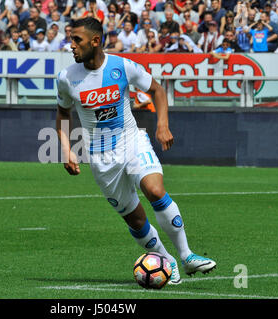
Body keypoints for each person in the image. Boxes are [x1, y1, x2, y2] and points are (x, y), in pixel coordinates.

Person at [56, 17, 217, 285]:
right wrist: (66, 150)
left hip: (131, 141)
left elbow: (157, 90)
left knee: (155, 190)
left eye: (76, 40)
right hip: (101, 159)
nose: (71, 46)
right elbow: (62, 113)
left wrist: (162, 125)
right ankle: (168, 262)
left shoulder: (122, 66)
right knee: (136, 220)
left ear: (96, 41)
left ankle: (187, 255)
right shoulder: (66, 78)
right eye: (70, 39)